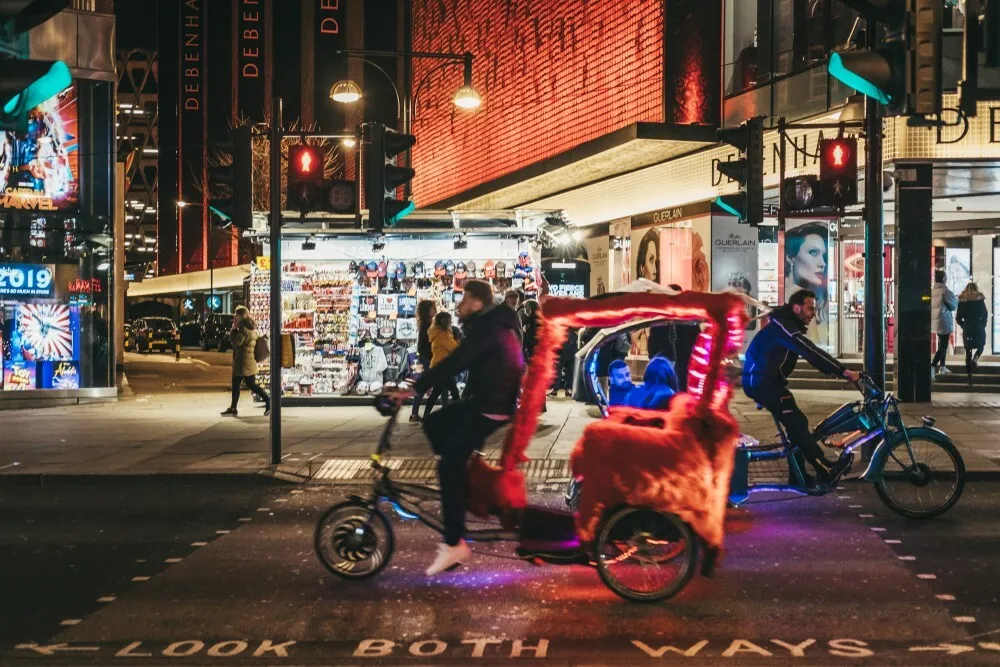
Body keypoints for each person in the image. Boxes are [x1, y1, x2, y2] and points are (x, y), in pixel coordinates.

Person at [387, 280, 525, 576]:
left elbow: (457, 361)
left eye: (464, 300)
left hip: (491, 406)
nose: (459, 307)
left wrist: (414, 389)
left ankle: (453, 542)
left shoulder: (490, 327)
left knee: (448, 465)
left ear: (477, 302)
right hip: (486, 400)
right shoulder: (493, 323)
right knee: (434, 422)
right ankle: (460, 479)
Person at [742, 289, 860, 486]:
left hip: (767, 382)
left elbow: (804, 355)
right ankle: (825, 468)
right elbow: (809, 350)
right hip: (761, 383)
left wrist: (835, 371)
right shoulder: (784, 327)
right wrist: (842, 370)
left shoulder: (786, 325)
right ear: (797, 308)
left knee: (796, 425)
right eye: (810, 308)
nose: (813, 313)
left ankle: (798, 476)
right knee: (797, 423)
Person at [221, 306, 270, 417]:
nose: (235, 317)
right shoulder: (251, 327)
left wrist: (233, 330)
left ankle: (267, 401)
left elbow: (236, 343)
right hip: (249, 360)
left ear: (240, 316)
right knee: (249, 384)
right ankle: (234, 407)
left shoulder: (243, 328)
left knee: (238, 384)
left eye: (236, 315)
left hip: (242, 361)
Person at [784, 223, 829, 340]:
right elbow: (810, 345)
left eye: (823, 255)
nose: (822, 263)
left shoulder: (815, 297)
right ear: (790, 258)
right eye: (813, 252)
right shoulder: (796, 297)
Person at [424, 311, 461, 416]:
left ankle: (426, 415)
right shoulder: (443, 335)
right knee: (454, 391)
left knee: (436, 392)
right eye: (450, 320)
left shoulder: (436, 333)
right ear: (446, 322)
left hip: (438, 366)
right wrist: (458, 340)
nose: (451, 322)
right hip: (443, 367)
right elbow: (454, 348)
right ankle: (459, 415)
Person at [409, 300, 437, 423]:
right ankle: (415, 414)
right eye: (433, 308)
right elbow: (423, 345)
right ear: (427, 311)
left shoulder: (428, 323)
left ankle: (416, 413)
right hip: (427, 359)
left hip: (427, 358)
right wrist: (432, 355)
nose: (436, 310)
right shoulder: (426, 325)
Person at [956, 282, 989, 384]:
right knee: (981, 345)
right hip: (978, 327)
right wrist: (983, 324)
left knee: (968, 351)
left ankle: (969, 377)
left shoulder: (962, 302)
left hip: (968, 329)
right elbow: (985, 314)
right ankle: (976, 358)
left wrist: (963, 325)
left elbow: (958, 318)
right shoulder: (980, 300)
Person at [931, 270, 958, 376]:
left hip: (936, 321)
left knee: (942, 344)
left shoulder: (933, 290)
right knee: (943, 346)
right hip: (944, 321)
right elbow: (954, 305)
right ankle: (932, 366)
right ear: (943, 279)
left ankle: (942, 366)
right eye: (946, 277)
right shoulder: (944, 291)